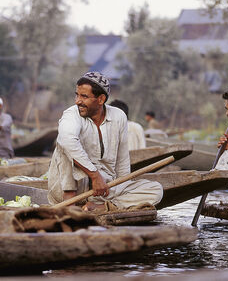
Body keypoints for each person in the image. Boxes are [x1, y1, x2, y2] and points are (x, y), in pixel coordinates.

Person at [47, 72, 163, 211]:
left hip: (104, 191)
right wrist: (94, 176)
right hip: (73, 189)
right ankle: (71, 205)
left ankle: (103, 207)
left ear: (101, 99)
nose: (77, 101)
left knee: (156, 190)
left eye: (84, 96)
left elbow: (122, 161)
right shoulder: (71, 115)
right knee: (65, 143)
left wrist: (122, 187)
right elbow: (67, 141)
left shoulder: (119, 116)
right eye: (77, 95)